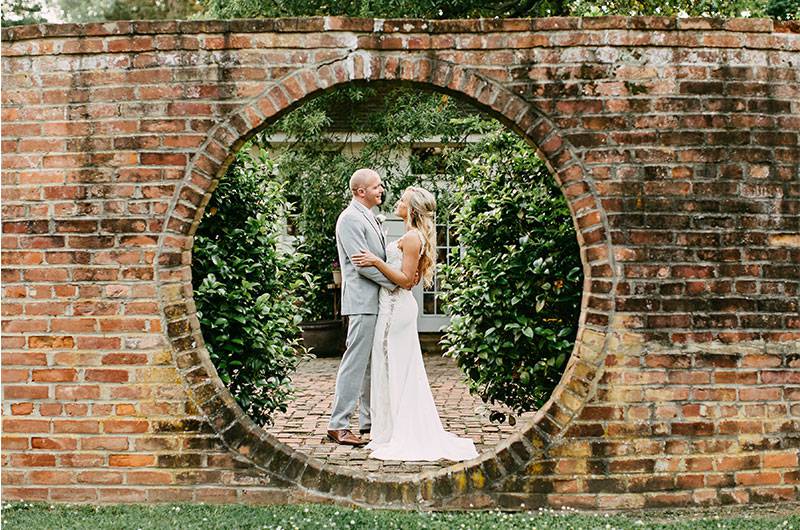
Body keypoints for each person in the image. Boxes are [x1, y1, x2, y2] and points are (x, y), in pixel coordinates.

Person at [352, 186, 478, 462]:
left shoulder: (411, 238)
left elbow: (407, 280)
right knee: (392, 366)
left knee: (393, 366)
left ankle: (396, 432)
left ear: (410, 208)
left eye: (402, 200)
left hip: (396, 307)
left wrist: (375, 261)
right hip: (392, 306)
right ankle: (388, 429)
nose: (397, 202)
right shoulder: (411, 235)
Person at [327, 168, 399, 446]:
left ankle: (368, 421)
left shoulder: (368, 216)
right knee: (355, 362)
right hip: (362, 301)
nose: (381, 190)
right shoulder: (349, 219)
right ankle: (338, 424)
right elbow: (361, 263)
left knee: (371, 363)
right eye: (377, 187)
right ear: (361, 192)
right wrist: (395, 283)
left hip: (374, 299)